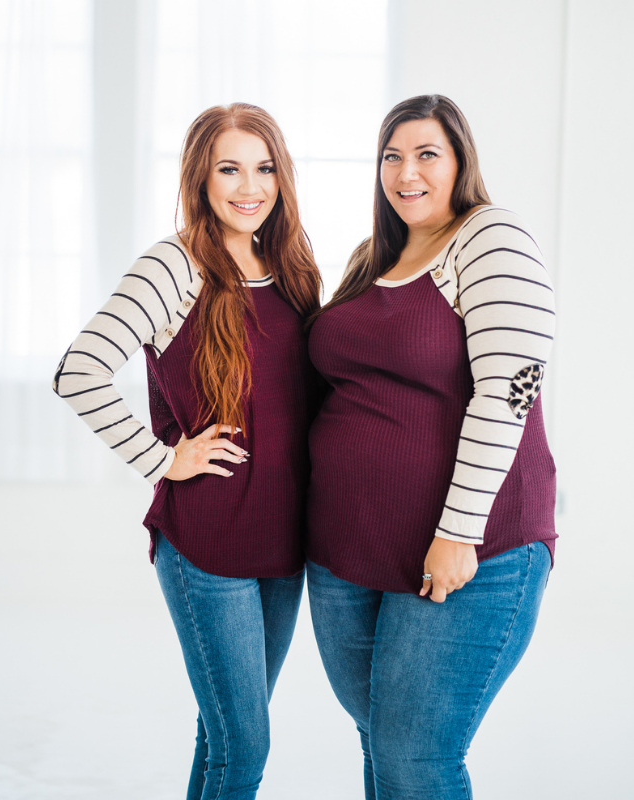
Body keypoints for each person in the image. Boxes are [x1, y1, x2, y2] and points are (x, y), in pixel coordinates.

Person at [53, 103, 321, 800]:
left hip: (284, 545)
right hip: (208, 545)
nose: (248, 186)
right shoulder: (174, 265)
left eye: (263, 168)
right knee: (247, 743)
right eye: (228, 169)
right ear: (200, 178)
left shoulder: (289, 266)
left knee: (226, 732)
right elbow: (78, 370)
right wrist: (164, 460)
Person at [305, 94, 556, 799]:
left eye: (426, 154)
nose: (405, 171)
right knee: (381, 743)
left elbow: (511, 389)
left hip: (464, 552)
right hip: (346, 553)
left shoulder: (488, 237)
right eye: (392, 155)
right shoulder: (373, 257)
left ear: (459, 163)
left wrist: (457, 532)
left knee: (415, 757)